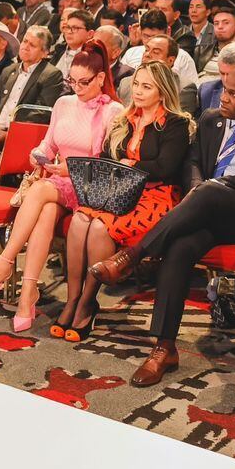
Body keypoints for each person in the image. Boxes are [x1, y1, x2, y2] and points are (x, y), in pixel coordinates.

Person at [92, 66, 235, 386]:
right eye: (225, 90)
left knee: (211, 190)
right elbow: (192, 163)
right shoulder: (210, 119)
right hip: (204, 210)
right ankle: (164, 347)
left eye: (234, 93)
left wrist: (213, 188)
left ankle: (132, 256)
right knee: (179, 247)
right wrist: (199, 187)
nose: (224, 97)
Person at [0, 42, 122, 328]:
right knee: (46, 211)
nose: (76, 87)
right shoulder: (63, 104)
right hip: (59, 183)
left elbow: (105, 163)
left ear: (101, 78)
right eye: (71, 80)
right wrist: (38, 155)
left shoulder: (113, 111)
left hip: (90, 186)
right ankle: (27, 295)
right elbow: (49, 143)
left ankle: (4, 264)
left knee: (40, 192)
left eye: (84, 82)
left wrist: (69, 168)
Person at [61, 61, 194, 341]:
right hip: (118, 189)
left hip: (155, 195)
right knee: (80, 219)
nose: (138, 91)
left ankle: (87, 302)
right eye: (136, 84)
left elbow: (165, 167)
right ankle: (72, 299)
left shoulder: (175, 123)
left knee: (98, 227)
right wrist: (123, 165)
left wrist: (130, 163)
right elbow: (109, 158)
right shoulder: (124, 118)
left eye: (147, 86)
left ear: (163, 91)